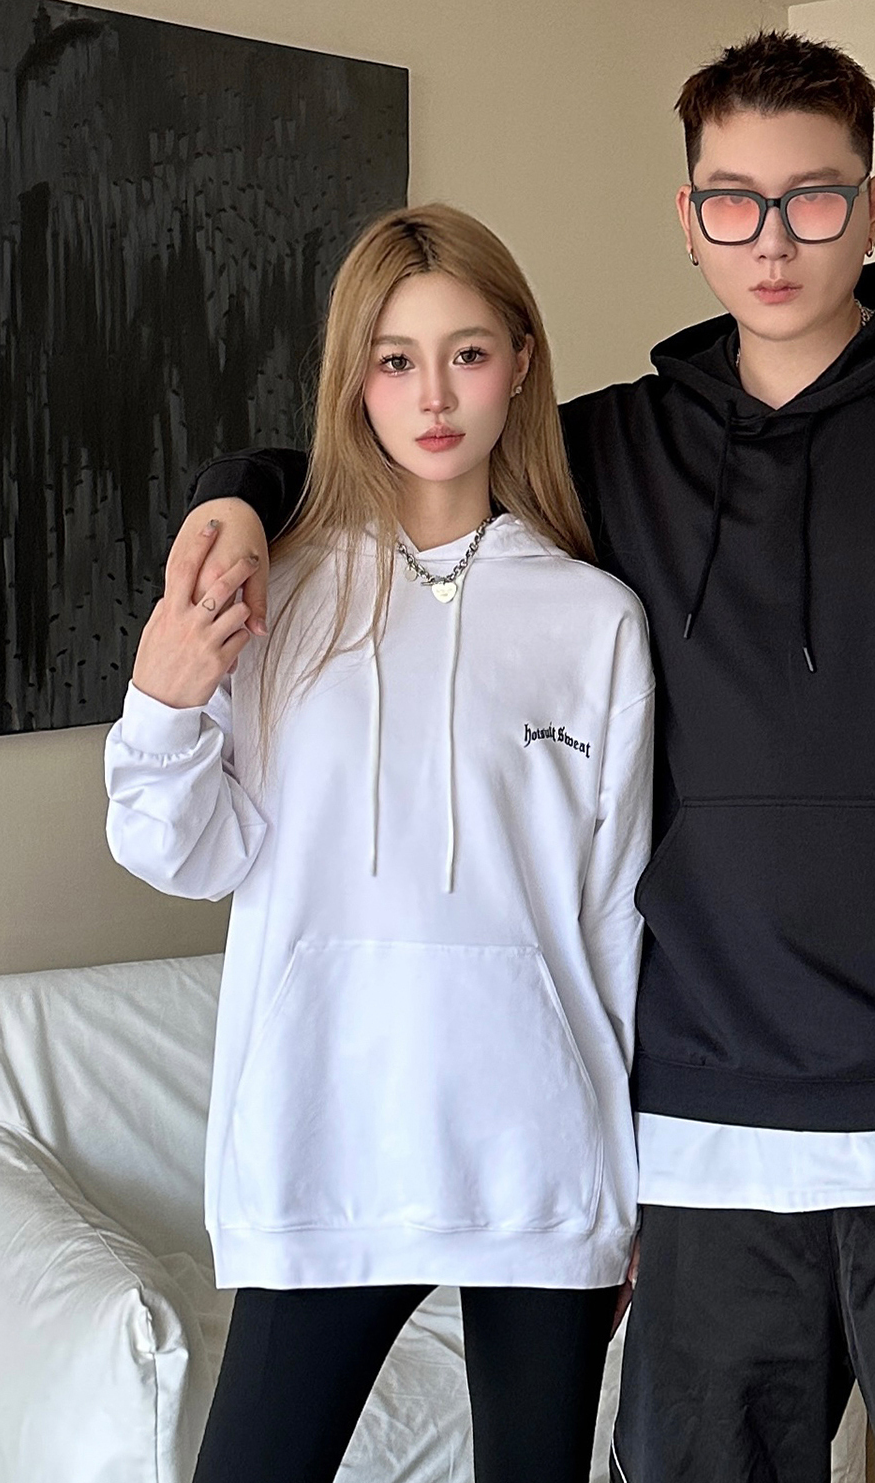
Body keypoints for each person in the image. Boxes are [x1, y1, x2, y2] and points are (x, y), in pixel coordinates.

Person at [168, 32, 875, 1483]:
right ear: (689, 218)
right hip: (703, 1139)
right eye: (733, 200)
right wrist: (234, 496)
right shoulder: (616, 455)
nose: (773, 239)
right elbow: (401, 459)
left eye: (813, 197)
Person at [105, 204, 654, 1483]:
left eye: (468, 354)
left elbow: (617, 921)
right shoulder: (278, 591)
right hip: (324, 1148)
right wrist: (164, 699)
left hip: (539, 1169)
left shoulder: (595, 621)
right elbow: (180, 853)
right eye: (396, 359)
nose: (434, 396)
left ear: (521, 363)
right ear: (354, 378)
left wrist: (632, 1191)